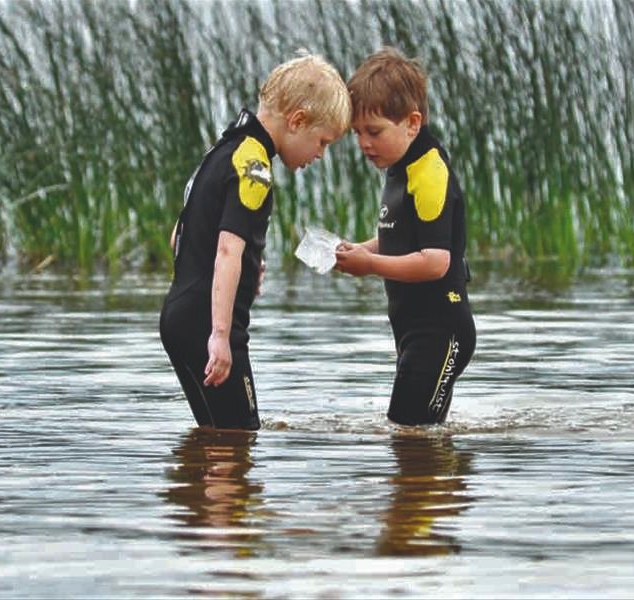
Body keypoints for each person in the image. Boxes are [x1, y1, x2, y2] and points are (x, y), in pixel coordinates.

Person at [160, 54, 351, 430]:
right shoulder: (256, 169)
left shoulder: (223, 150)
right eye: (322, 141)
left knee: (215, 439)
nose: (320, 154)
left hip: (178, 317)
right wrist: (220, 335)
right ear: (297, 120)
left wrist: (246, 270)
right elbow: (227, 250)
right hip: (207, 328)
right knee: (240, 439)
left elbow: (179, 236)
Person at [335, 47, 476, 426]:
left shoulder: (429, 171)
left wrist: (368, 266)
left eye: (374, 131)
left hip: (442, 330)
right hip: (413, 331)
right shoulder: (400, 167)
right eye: (357, 133)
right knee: (414, 441)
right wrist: (355, 250)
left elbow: (435, 260)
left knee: (410, 436)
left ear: (412, 123)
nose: (364, 143)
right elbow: (399, 238)